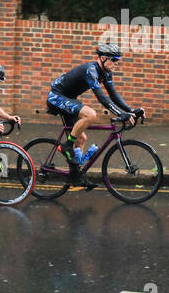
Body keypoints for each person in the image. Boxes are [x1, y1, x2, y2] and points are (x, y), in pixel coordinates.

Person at [47, 43, 143, 186]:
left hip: (68, 99)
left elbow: (113, 95)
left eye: (118, 60)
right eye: (114, 59)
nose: (117, 63)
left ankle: (76, 175)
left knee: (81, 138)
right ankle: (67, 146)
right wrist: (121, 114)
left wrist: (130, 110)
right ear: (103, 58)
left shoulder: (106, 73)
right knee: (90, 115)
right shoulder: (91, 70)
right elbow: (102, 98)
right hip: (56, 97)